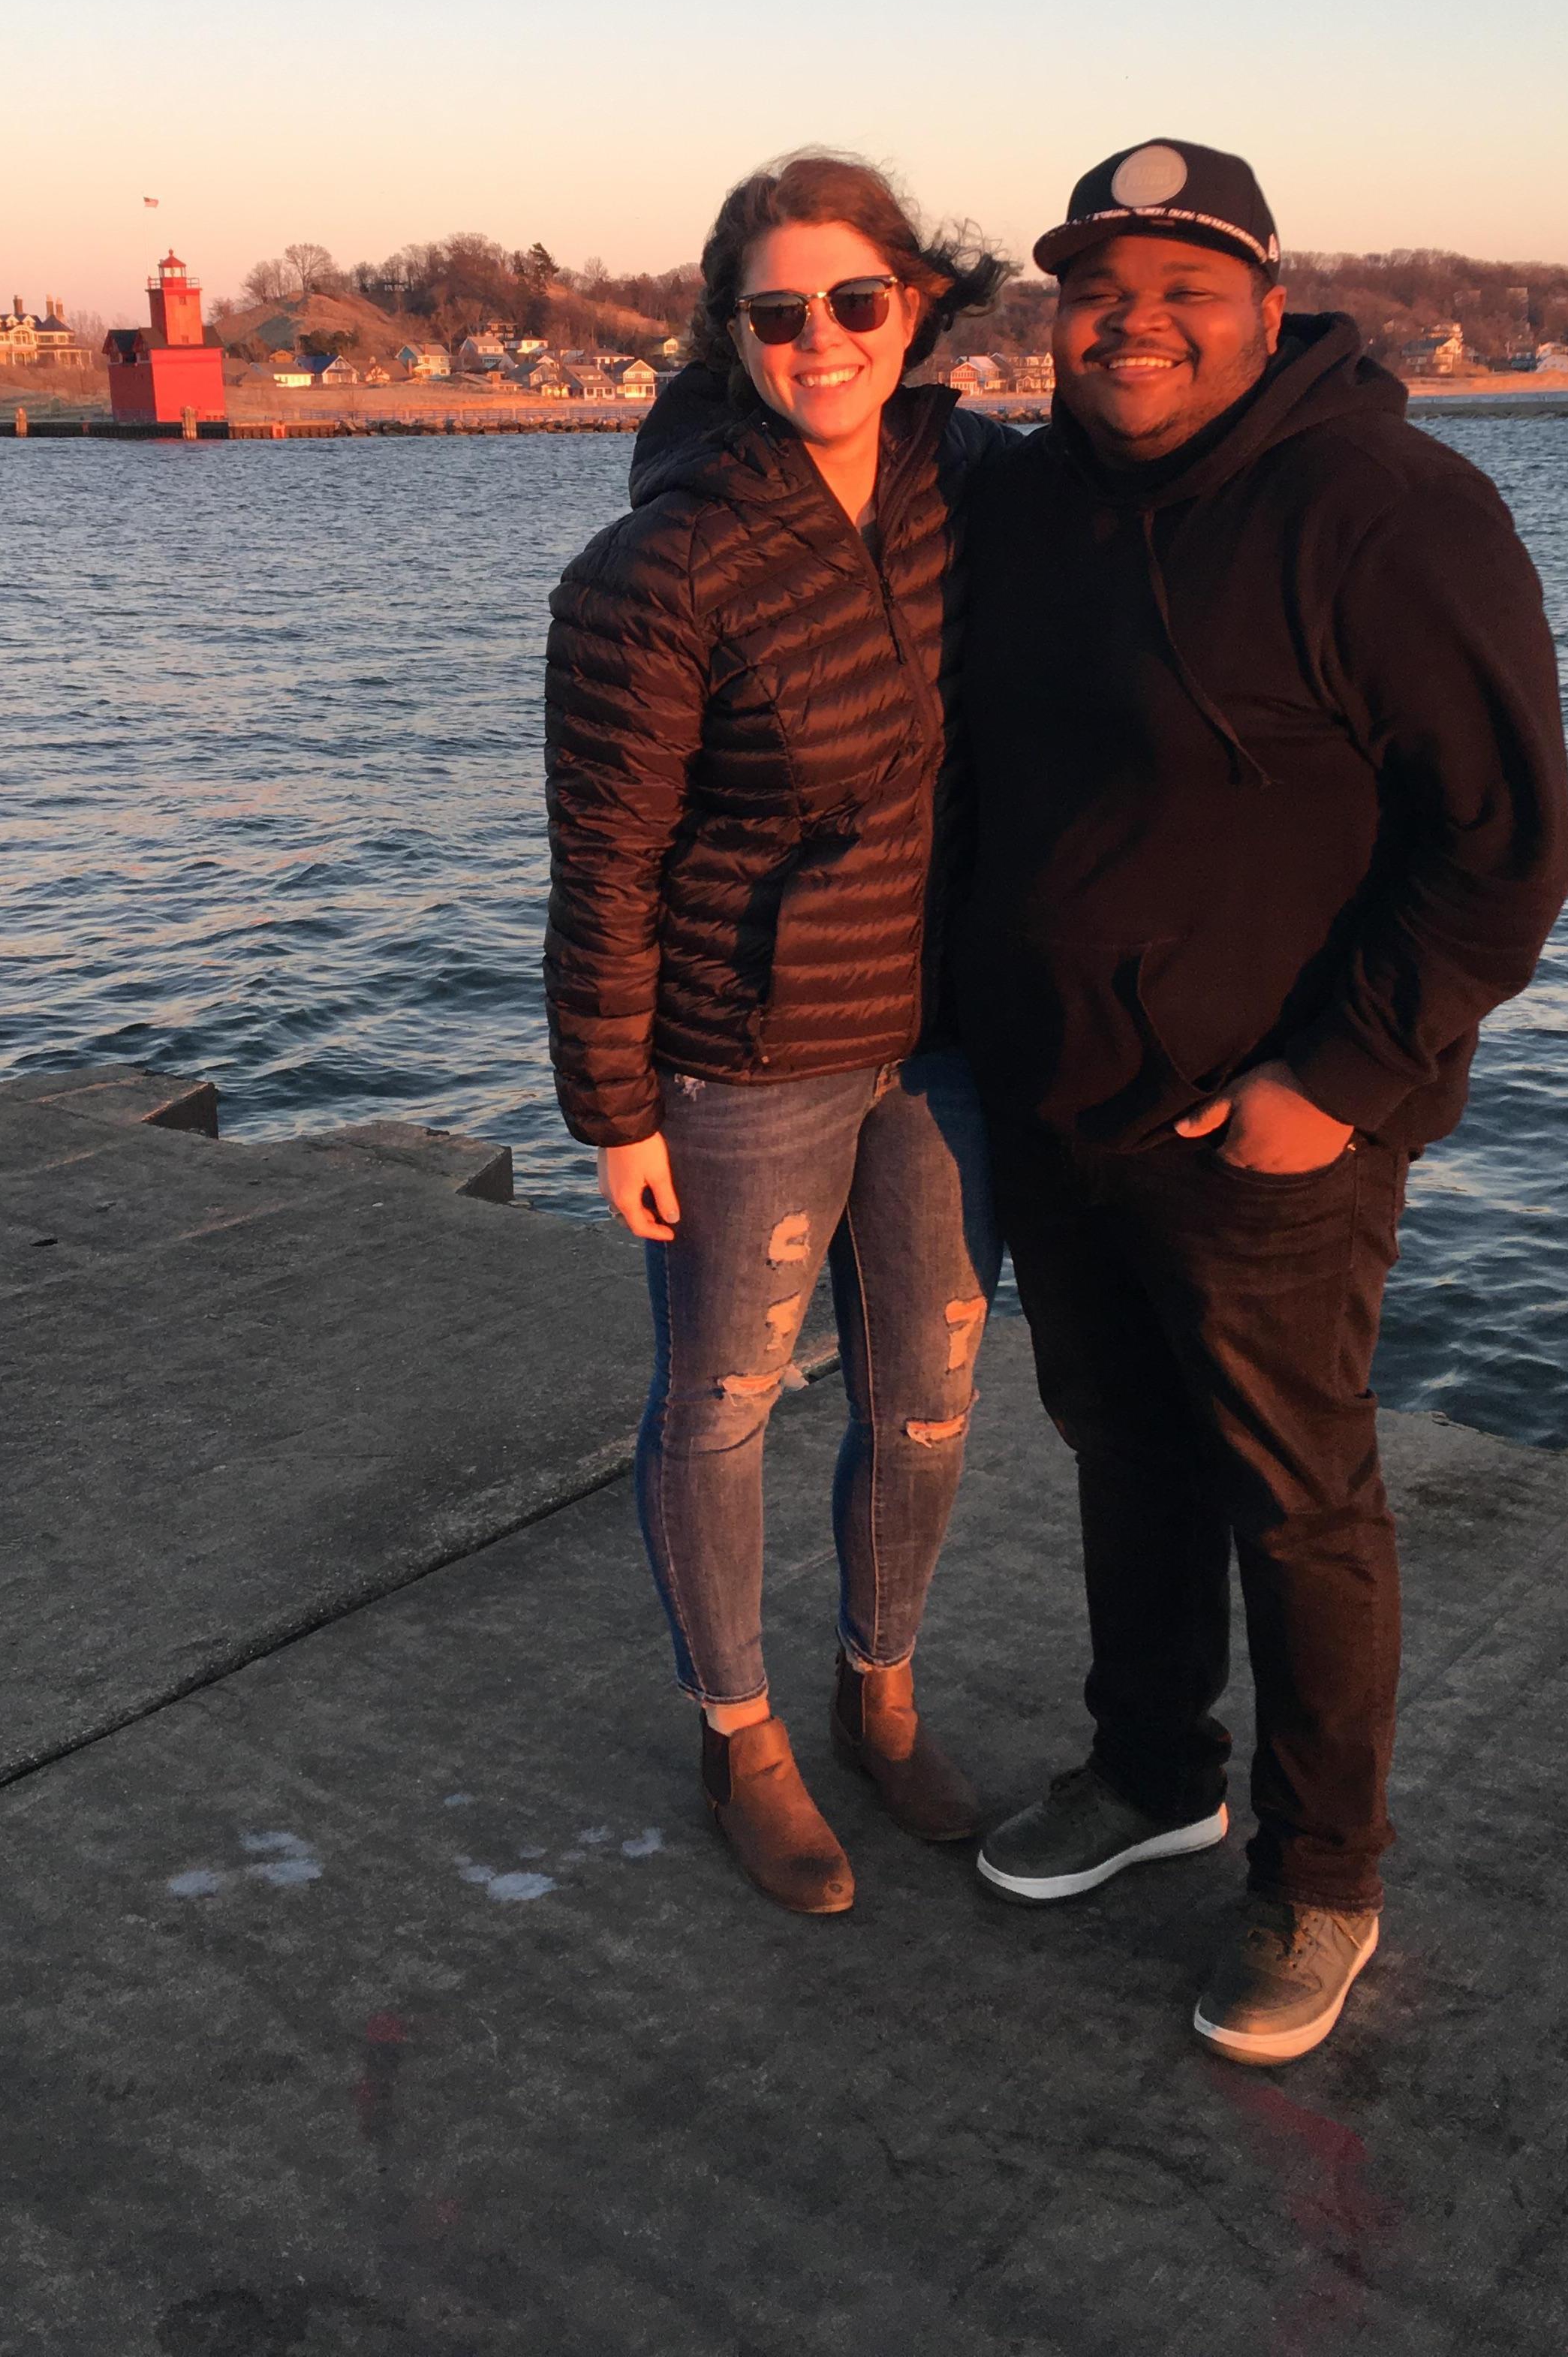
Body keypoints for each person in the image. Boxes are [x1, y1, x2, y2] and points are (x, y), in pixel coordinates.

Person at [954, 138, 1568, 2060]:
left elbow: (1505, 850)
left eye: (1183, 288)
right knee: (1121, 1451)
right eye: (1099, 290)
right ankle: (1153, 1774)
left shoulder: (1389, 510)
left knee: (1299, 1500)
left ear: (1267, 299)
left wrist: (1342, 1079)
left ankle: (1320, 1878)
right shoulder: (1039, 494)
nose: (1134, 325)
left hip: (1271, 1120)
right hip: (1065, 1100)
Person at [543, 154, 1011, 1916]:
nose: (822, 341)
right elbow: (607, 862)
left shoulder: (974, 491)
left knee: (931, 1399)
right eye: (779, 312)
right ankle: (743, 1736)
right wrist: (615, 1106)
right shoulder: (655, 573)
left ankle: (878, 1691)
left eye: (857, 302)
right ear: (731, 335)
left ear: (919, 306)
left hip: (946, 1039)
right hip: (746, 1055)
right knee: (727, 1399)